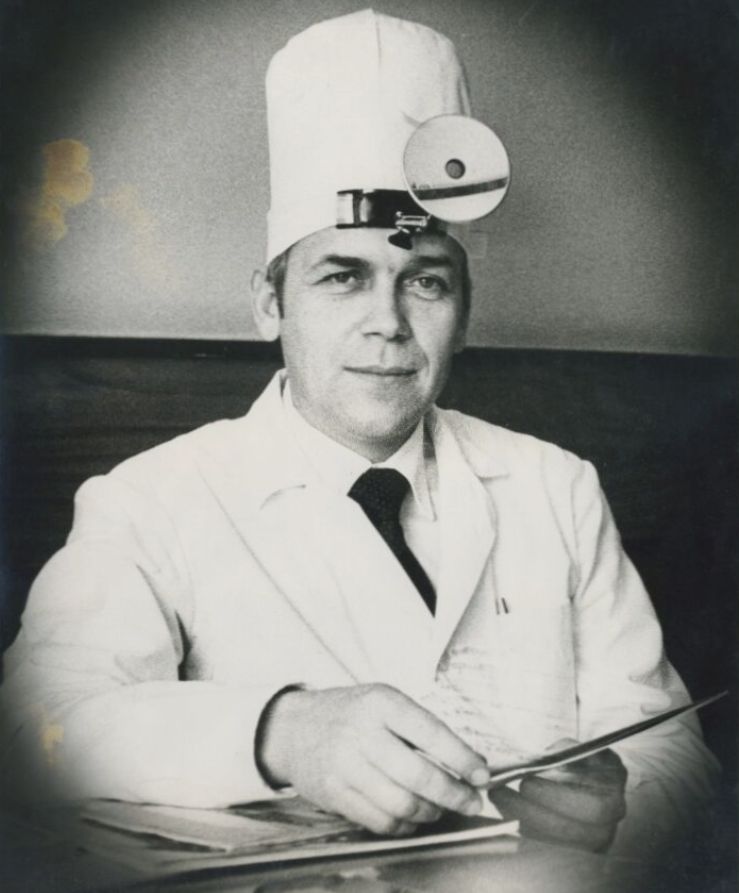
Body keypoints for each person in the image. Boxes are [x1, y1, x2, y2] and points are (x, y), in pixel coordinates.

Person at [0, 9, 717, 856]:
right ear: (269, 303)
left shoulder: (554, 486)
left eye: (425, 281)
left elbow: (672, 747)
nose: (388, 322)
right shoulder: (150, 500)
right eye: (343, 277)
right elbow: (34, 727)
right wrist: (276, 730)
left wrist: (624, 803)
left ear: (463, 312)